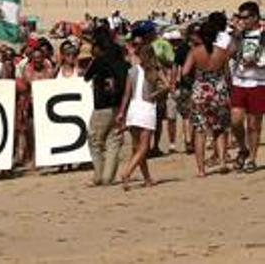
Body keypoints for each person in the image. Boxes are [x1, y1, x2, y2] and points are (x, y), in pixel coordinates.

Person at [116, 37, 169, 190]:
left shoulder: (132, 71)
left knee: (137, 147)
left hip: (133, 108)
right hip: (146, 108)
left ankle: (147, 179)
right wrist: (155, 94)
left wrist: (121, 112)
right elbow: (167, 86)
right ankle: (127, 172)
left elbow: (126, 94)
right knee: (144, 147)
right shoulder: (154, 71)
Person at [182, 14, 231, 177]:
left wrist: (197, 79)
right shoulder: (223, 52)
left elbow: (185, 72)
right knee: (220, 128)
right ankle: (223, 161)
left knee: (200, 130)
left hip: (201, 91)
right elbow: (227, 73)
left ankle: (201, 169)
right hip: (219, 90)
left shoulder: (195, 52)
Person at [84, 31, 128, 186]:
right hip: (118, 106)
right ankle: (108, 176)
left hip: (102, 106)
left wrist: (93, 61)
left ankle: (98, 175)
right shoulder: (123, 63)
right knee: (113, 142)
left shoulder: (100, 61)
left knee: (94, 140)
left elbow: (86, 76)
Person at [228, 1, 264, 172]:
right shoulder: (239, 34)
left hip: (258, 82)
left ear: (255, 17)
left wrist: (256, 63)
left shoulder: (263, 35)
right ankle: (243, 148)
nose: (243, 20)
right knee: (235, 120)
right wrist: (236, 35)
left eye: (246, 17)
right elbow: (229, 53)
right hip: (239, 81)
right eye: (240, 17)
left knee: (253, 124)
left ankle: (252, 158)